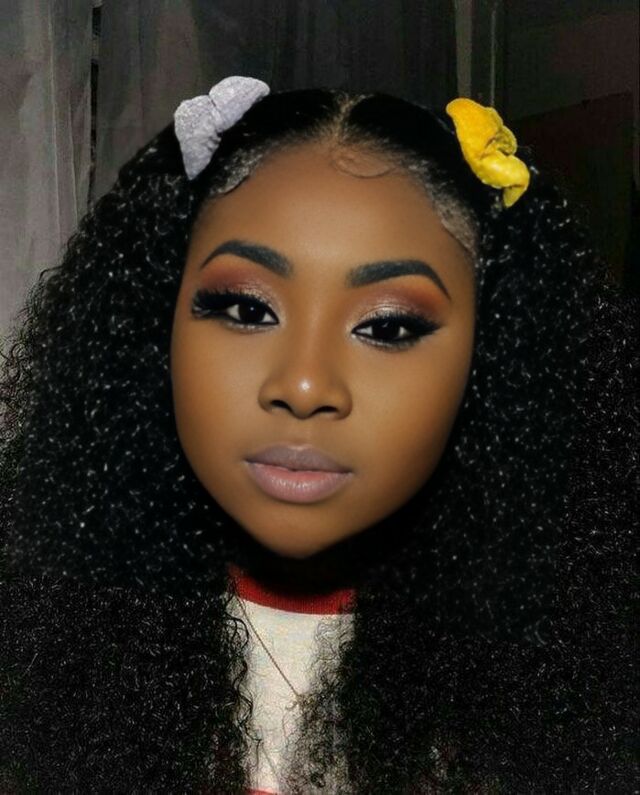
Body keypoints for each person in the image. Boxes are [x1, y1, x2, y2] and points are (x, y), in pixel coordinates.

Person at [0, 77, 637, 792]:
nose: (304, 386)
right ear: (154, 328)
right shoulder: (30, 652)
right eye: (246, 309)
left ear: (492, 362)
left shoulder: (576, 690)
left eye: (388, 326)